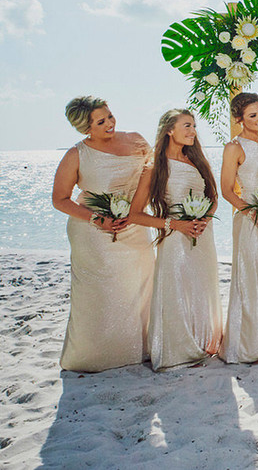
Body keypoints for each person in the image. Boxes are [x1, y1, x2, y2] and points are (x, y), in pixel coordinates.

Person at [52, 96, 155, 372]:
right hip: (93, 232)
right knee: (99, 293)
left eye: (110, 116)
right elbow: (60, 199)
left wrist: (140, 212)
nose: (110, 123)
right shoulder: (77, 154)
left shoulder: (136, 140)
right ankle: (96, 355)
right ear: (86, 128)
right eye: (101, 121)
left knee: (140, 285)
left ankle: (138, 349)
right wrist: (97, 219)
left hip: (134, 226)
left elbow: (153, 175)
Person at [130, 109, 222, 371]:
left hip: (202, 235)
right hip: (174, 239)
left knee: (201, 288)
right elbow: (135, 215)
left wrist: (206, 217)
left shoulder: (196, 161)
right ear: (169, 130)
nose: (193, 131)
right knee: (177, 291)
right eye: (187, 126)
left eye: (194, 126)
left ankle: (202, 342)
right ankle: (178, 348)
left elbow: (213, 197)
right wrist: (176, 225)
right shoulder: (154, 168)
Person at [219, 93, 258, 365]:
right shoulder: (234, 147)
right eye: (252, 115)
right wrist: (256, 215)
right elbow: (226, 191)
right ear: (239, 119)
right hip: (249, 219)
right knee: (249, 279)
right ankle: (246, 347)